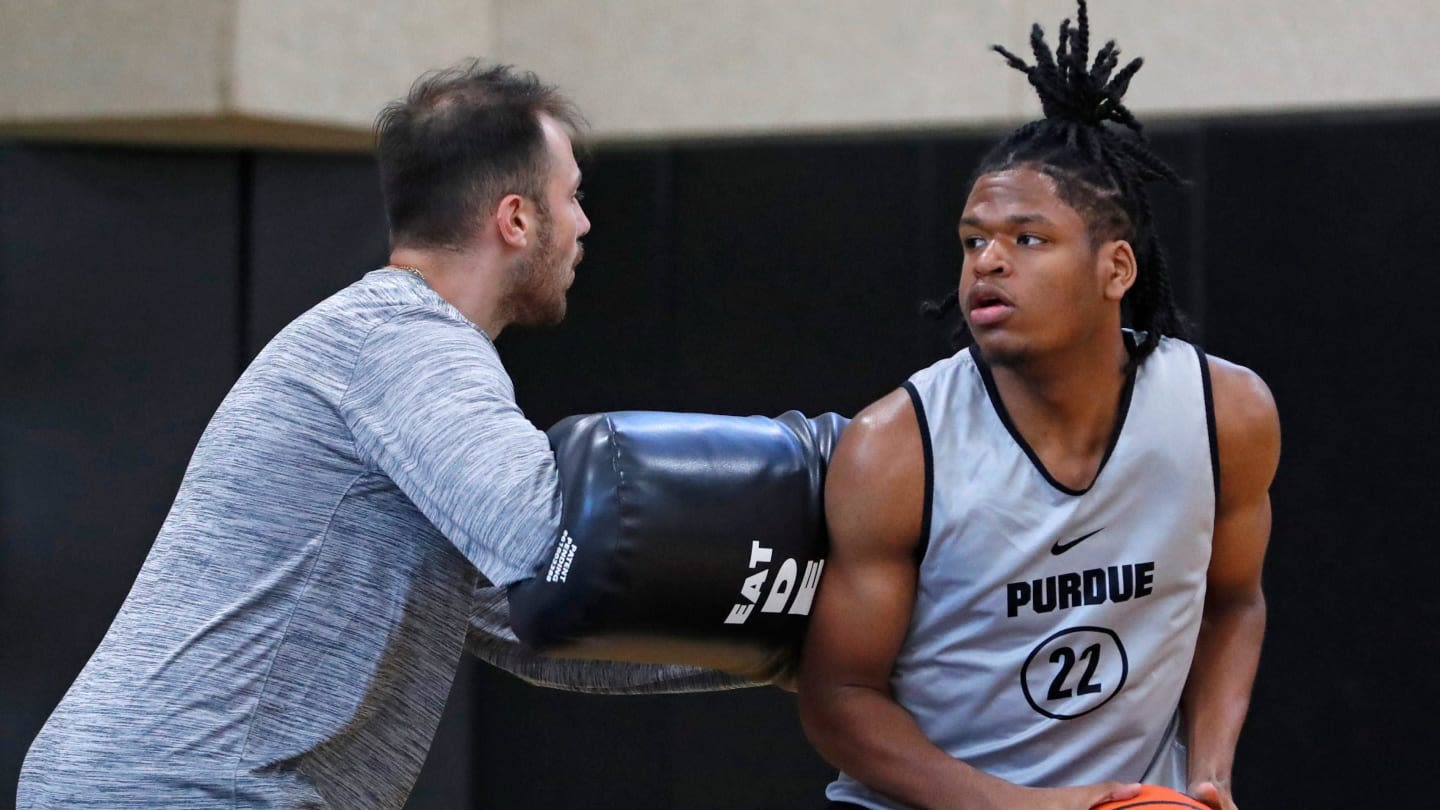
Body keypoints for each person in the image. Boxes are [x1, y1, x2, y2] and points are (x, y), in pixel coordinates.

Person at [17, 61, 753, 809]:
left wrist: (784, 646)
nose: (585, 224)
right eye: (573, 197)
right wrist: (808, 565)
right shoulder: (405, 343)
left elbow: (540, 624)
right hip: (185, 792)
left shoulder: (395, 352)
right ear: (517, 219)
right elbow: (553, 539)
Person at [796, 4, 1279, 810]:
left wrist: (1210, 772)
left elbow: (1233, 600)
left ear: (1114, 267)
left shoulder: (1225, 414)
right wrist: (1020, 807)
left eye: (1027, 239)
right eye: (972, 240)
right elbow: (839, 697)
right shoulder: (897, 447)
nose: (987, 260)